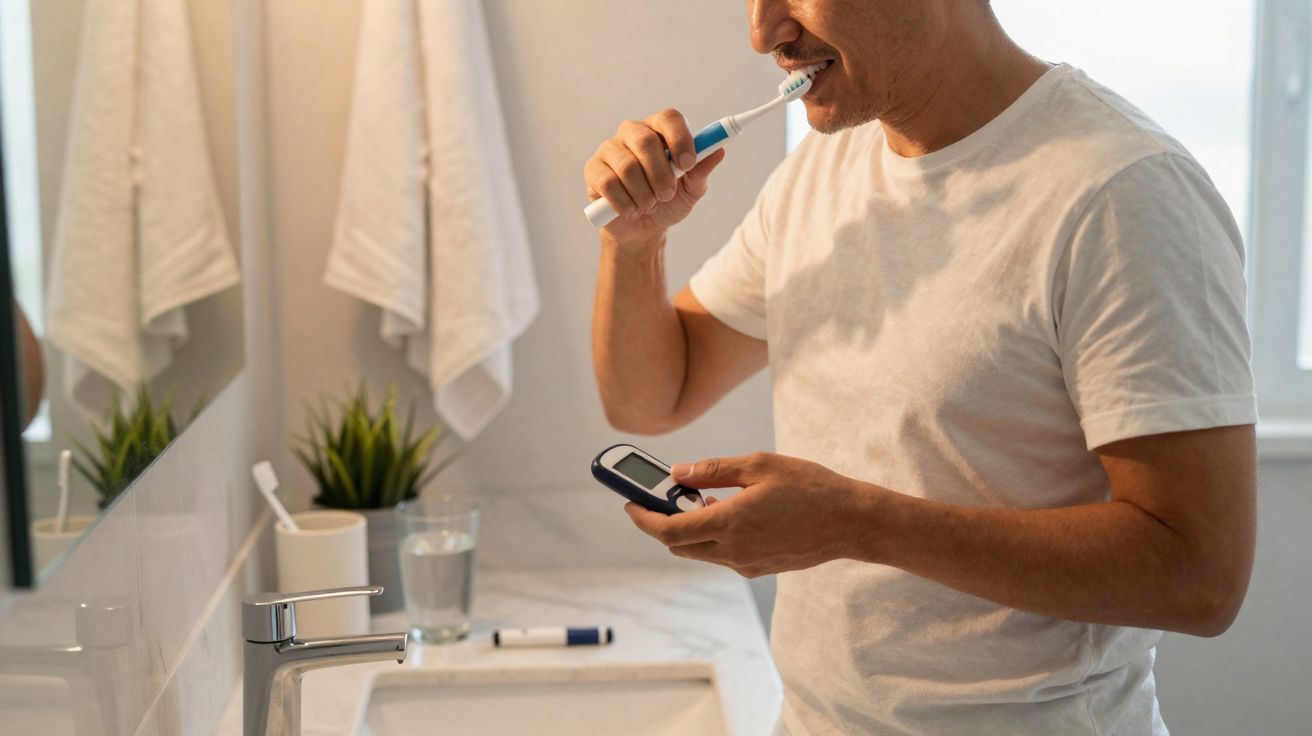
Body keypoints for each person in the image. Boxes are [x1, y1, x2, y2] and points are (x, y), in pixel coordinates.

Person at [583, 1, 1257, 734]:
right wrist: (635, 245)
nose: (763, 32)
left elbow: (1198, 576)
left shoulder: (1123, 192)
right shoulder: (822, 169)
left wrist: (855, 523)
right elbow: (654, 397)